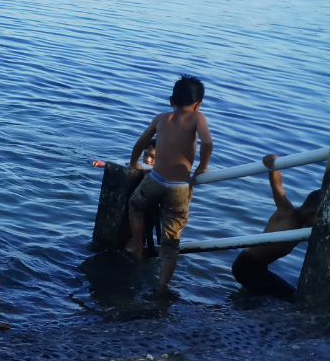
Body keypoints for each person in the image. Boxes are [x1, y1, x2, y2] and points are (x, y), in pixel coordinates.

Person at [126, 75, 213, 292]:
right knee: (171, 240)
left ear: (170, 100)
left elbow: (141, 142)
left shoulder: (161, 118)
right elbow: (207, 142)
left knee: (136, 204)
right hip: (179, 188)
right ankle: (162, 286)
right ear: (198, 104)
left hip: (154, 181)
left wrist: (134, 163)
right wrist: (203, 167)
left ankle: (137, 244)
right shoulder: (198, 117)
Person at [230, 154, 322, 300]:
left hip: (258, 269)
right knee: (293, 297)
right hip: (246, 266)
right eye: (321, 218)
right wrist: (274, 163)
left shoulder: (304, 229)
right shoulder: (286, 213)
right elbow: (277, 187)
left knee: (259, 295)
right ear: (313, 212)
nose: (321, 223)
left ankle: (241, 303)